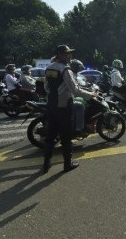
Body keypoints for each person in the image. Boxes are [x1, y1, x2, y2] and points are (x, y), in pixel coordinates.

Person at [43, 45, 97, 173]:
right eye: (67, 54)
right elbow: (75, 90)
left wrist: (56, 93)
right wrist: (91, 95)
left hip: (51, 105)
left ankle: (46, 164)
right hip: (64, 106)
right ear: (59, 55)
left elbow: (46, 88)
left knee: (50, 136)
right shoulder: (65, 70)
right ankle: (67, 164)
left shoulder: (49, 68)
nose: (69, 56)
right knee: (66, 137)